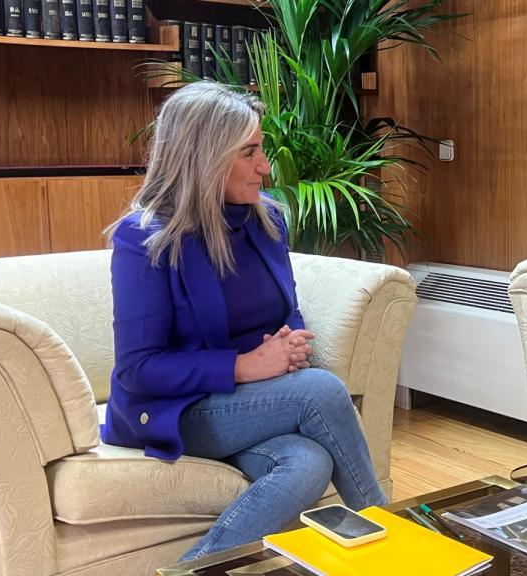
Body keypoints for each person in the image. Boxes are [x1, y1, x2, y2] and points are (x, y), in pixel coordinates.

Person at [101, 82, 386, 561]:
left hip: (250, 404)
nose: (266, 166)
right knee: (321, 390)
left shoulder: (266, 217)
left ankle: (188, 571)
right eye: (249, 152)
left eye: (262, 148)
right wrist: (244, 366)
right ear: (204, 156)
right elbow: (138, 368)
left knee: (308, 463)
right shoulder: (145, 238)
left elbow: (286, 306)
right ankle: (392, 538)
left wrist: (290, 341)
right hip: (176, 408)